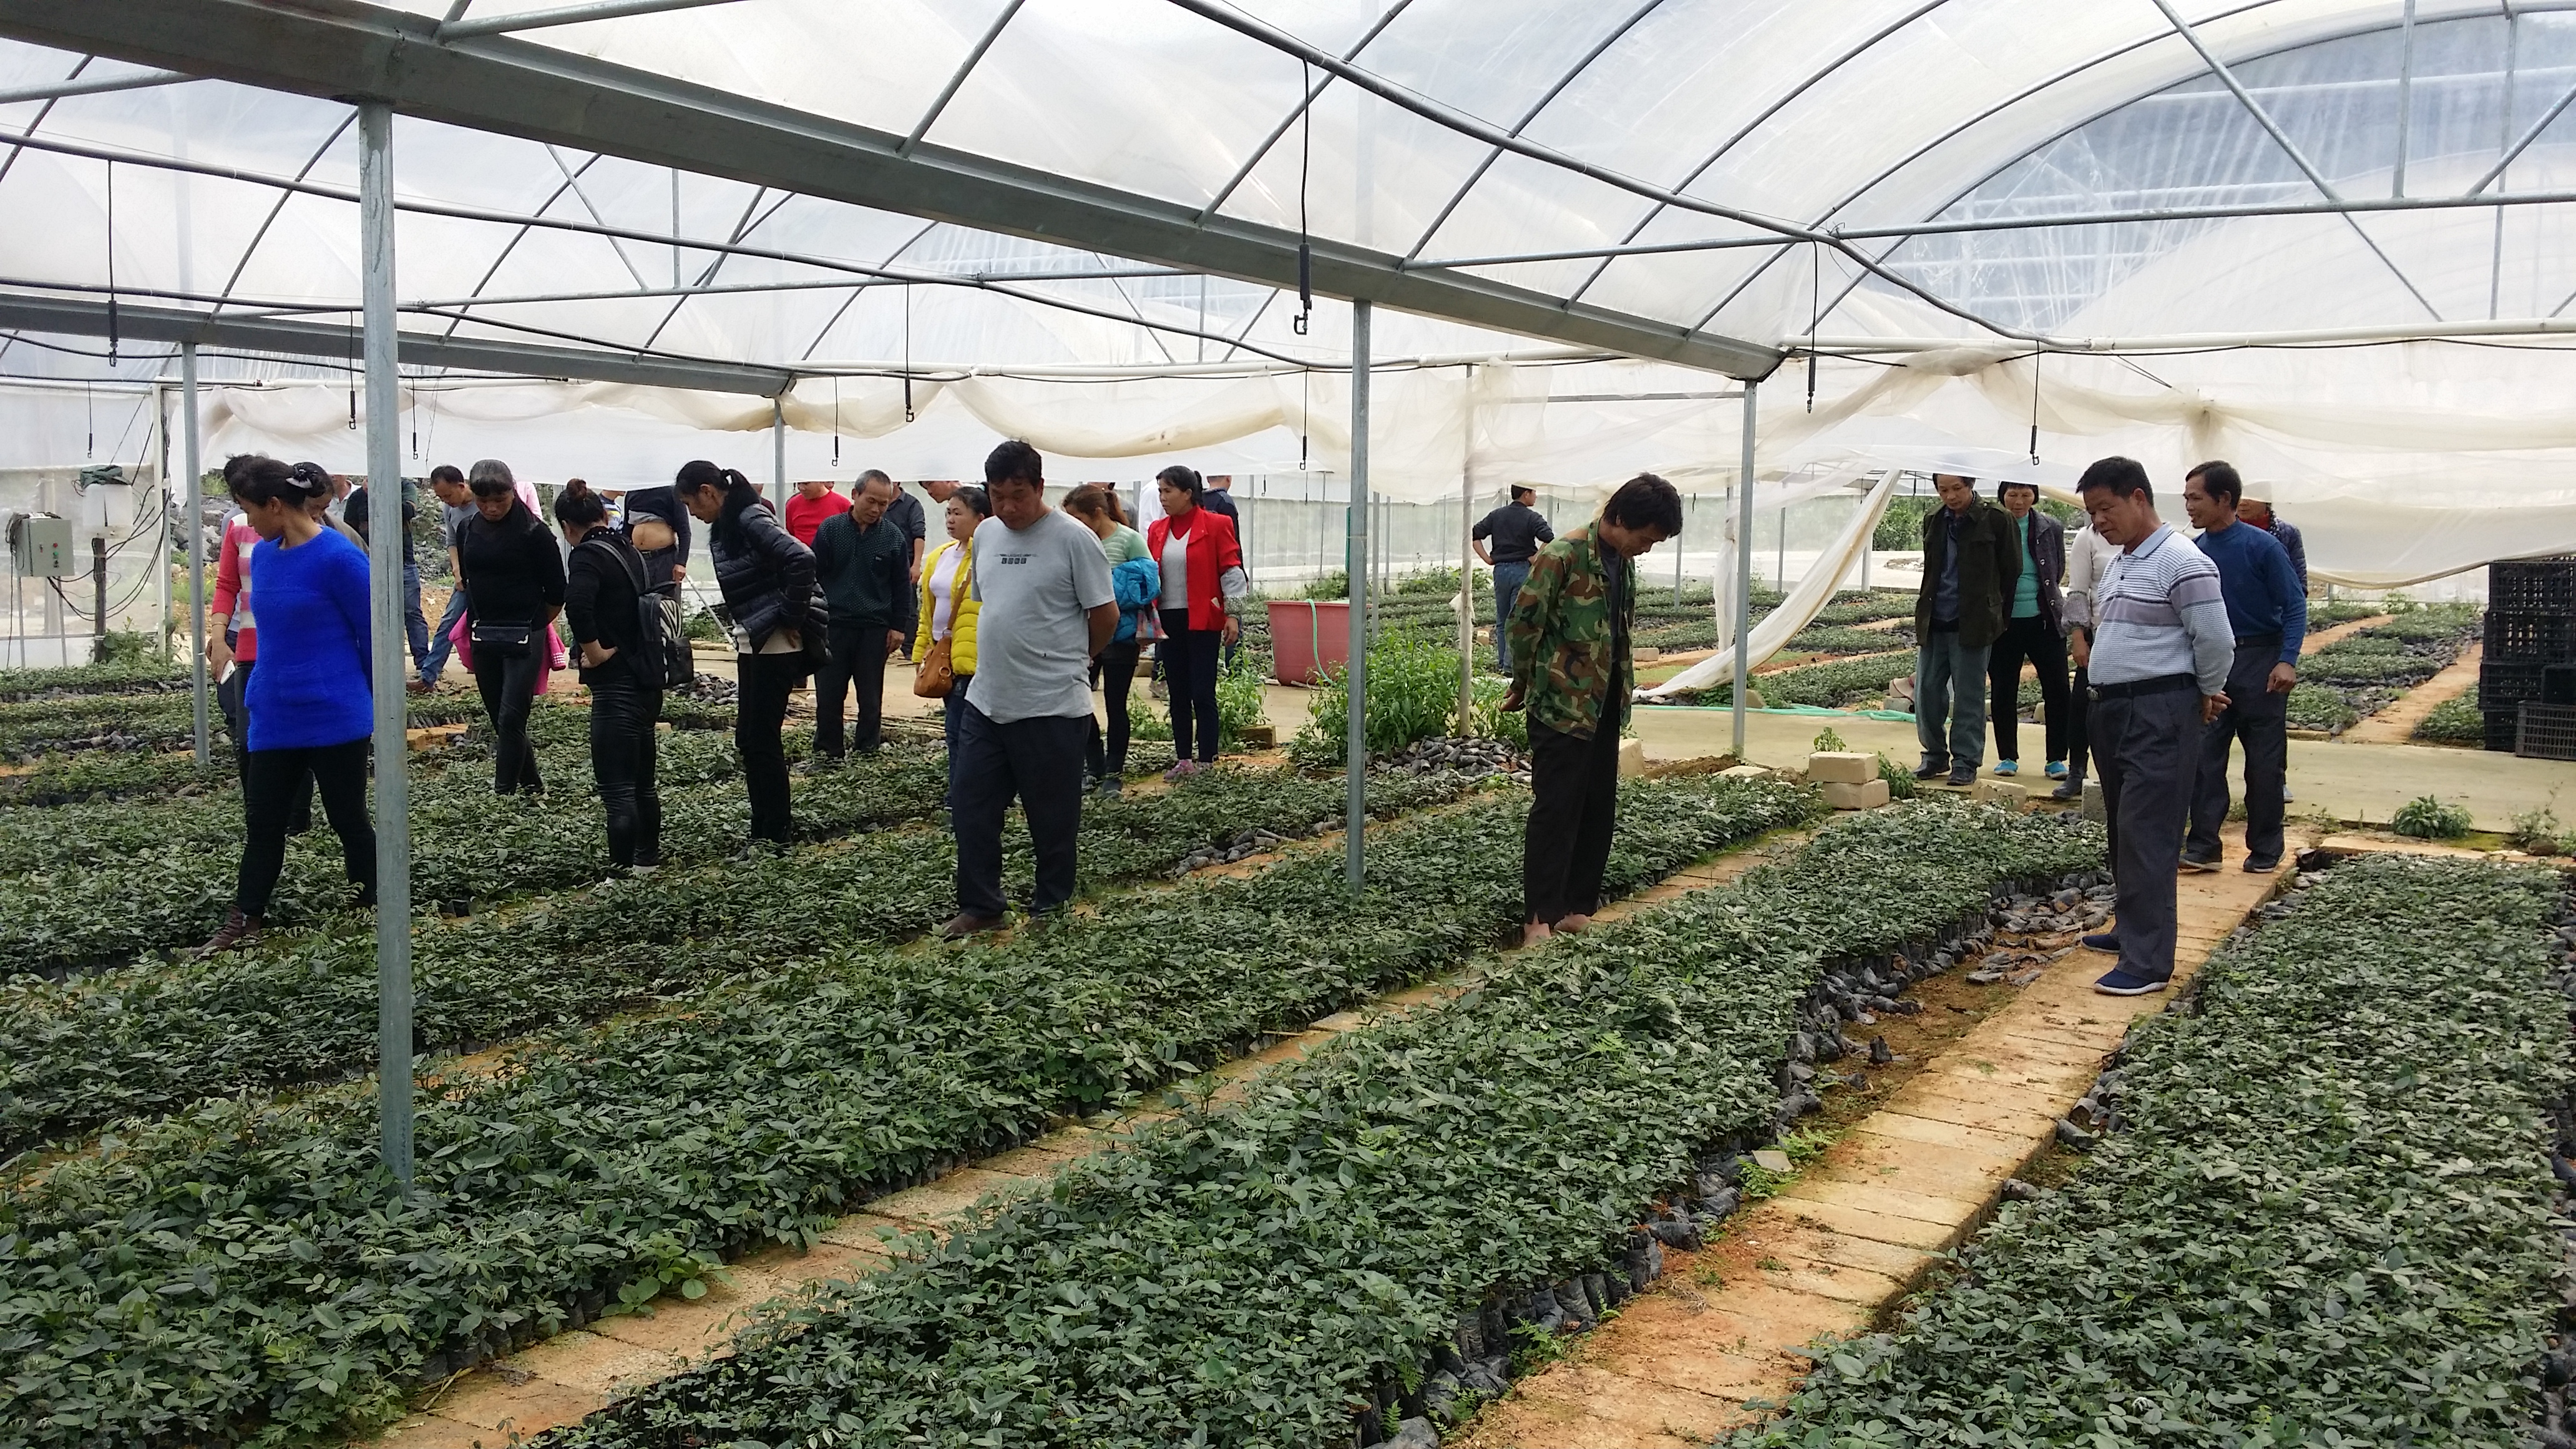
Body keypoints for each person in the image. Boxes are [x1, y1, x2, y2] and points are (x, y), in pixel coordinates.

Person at [198, 456, 378, 955]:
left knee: (348, 818)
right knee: (263, 822)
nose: (245, 520)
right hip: (275, 714)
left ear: (275, 505)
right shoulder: (267, 556)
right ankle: (245, 919)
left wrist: (369, 704)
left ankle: (370, 905)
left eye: (248, 509)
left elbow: (372, 638)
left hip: (336, 715)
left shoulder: (341, 559)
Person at [2074, 457, 2233, 997]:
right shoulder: (2123, 560)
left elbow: (2215, 639)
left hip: (2158, 709)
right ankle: (2130, 930)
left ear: (2138, 498)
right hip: (2115, 709)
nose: (2100, 521)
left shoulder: (2183, 561)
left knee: (2148, 830)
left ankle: (2148, 964)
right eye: (2093, 512)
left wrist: (2206, 691)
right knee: (2125, 826)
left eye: (2106, 508)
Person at [944, 440, 1116, 937]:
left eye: (1018, 495)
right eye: (998, 496)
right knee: (972, 808)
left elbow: (1104, 616)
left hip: (1051, 705)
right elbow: (989, 604)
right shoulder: (988, 535)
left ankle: (1050, 908)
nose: (1008, 507)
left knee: (1052, 818)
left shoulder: (1074, 539)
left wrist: (1077, 658)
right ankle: (982, 906)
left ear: (1040, 487)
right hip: (987, 700)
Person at [1504, 472, 1681, 946]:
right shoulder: (1562, 557)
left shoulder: (1622, 561)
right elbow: (1523, 625)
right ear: (1619, 518)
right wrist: (1524, 682)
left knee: (1597, 806)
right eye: (1644, 538)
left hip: (1604, 704)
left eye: (1653, 543)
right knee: (1556, 809)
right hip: (1561, 703)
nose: (1645, 549)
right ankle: (1539, 916)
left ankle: (1577, 907)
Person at [675, 459, 822, 846]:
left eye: (693, 504)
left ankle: (774, 835)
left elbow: (801, 558)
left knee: (762, 740)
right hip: (754, 639)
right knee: (749, 739)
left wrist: (791, 615)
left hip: (775, 642)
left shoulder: (750, 517)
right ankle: (764, 829)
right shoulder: (732, 521)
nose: (693, 513)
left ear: (708, 491)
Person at [2179, 461, 2305, 876]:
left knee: (2265, 762)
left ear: (2224, 499)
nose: (2189, 506)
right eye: (2187, 498)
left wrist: (2286, 659)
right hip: (2215, 663)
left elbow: (2295, 605)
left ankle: (2266, 848)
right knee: (2204, 758)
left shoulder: (2263, 546)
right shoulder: (2194, 550)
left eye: (2196, 498)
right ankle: (2203, 846)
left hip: (2260, 661)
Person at [556, 480, 664, 873]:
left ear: (568, 526)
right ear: (605, 515)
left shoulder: (586, 556)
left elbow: (578, 606)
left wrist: (594, 652)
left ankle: (619, 878)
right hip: (645, 679)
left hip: (616, 682)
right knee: (642, 783)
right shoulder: (629, 550)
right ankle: (647, 863)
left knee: (617, 789)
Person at [456, 459, 565, 796]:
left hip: (525, 633)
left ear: (513, 493)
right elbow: (470, 580)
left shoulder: (535, 533)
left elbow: (557, 591)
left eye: (499, 501)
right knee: (500, 720)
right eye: (482, 500)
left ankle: (502, 796)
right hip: (484, 633)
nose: (490, 508)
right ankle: (533, 787)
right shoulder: (468, 528)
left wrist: (534, 624)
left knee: (511, 718)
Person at [1910, 472, 2021, 786]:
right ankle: (1934, 755)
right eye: (1943, 490)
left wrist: (1997, 616)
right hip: (1935, 620)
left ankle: (1966, 761)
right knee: (1928, 692)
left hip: (1973, 623)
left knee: (1969, 696)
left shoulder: (1996, 519)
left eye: (1957, 488)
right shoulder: (1934, 519)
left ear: (1970, 485)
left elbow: (2011, 570)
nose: (1951, 496)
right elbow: (1932, 569)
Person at [1144, 465, 1246, 779]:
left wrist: (1232, 614)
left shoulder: (1216, 525)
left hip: (1202, 618)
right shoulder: (1157, 530)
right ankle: (1184, 759)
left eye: (1168, 491)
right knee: (1177, 691)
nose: (1162, 498)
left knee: (1202, 691)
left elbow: (1231, 570)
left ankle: (1207, 760)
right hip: (1169, 620)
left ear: (1188, 494)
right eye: (1160, 491)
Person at [809, 472, 912, 763]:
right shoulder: (831, 530)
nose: (876, 509)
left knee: (870, 696)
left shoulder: (893, 538)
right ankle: (829, 751)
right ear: (855, 496)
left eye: (883, 503)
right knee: (829, 693)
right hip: (835, 624)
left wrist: (898, 627)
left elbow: (901, 587)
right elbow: (814, 576)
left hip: (874, 628)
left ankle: (868, 750)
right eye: (871, 501)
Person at [1064, 484, 1156, 793]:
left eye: (1077, 517)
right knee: (1079, 703)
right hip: (1081, 635)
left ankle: (1113, 772)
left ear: (1098, 513)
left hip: (1121, 636)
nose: (1073, 524)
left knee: (1116, 705)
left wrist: (1112, 590)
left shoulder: (1129, 540)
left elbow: (1149, 584)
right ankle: (1093, 766)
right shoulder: (1075, 541)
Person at [1985, 481, 2070, 781]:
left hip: (2044, 618)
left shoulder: (2050, 526)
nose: (2019, 501)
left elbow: (2056, 569)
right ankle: (2008, 757)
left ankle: (2057, 759)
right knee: (2004, 690)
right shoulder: (1991, 525)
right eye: (2012, 495)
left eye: (2025, 495)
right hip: (2004, 622)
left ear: (2034, 496)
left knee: (2058, 689)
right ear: (2002, 496)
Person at [914, 484, 990, 762]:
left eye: (958, 513)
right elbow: (928, 609)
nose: (950, 520)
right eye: (948, 513)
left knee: (960, 731)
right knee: (956, 732)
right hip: (943, 654)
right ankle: (961, 793)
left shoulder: (986, 557)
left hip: (971, 657)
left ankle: (961, 797)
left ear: (980, 519)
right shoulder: (940, 555)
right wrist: (923, 647)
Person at [2055, 519, 2119, 801]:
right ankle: (2077, 771)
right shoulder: (2088, 538)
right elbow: (2078, 590)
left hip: (2135, 637)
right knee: (2082, 704)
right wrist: (2079, 637)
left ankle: (2118, 774)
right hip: (2098, 635)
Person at [345, 472, 431, 680]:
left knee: (411, 611)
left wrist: (380, 494)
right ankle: (379, 665)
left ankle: (424, 664)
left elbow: (409, 510)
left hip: (403, 561)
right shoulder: (358, 498)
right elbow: (349, 528)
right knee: (373, 613)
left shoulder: (404, 486)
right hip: (369, 563)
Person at [1473, 484, 1554, 670]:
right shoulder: (1532, 517)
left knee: (1502, 620)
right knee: (1517, 619)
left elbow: (1474, 534)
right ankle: (1511, 667)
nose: (1536, 497)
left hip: (1500, 571)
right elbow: (1549, 538)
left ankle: (1503, 663)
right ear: (1526, 494)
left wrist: (1488, 559)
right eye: (1534, 493)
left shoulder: (1497, 515)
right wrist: (1535, 558)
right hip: (1522, 570)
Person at [412, 465, 474, 691]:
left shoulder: (485, 504)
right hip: (465, 578)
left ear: (461, 486)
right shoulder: (450, 510)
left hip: (491, 577)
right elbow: (452, 542)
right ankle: (428, 677)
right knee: (448, 623)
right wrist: (457, 572)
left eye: (448, 495)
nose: (446, 501)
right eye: (441, 497)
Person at [621, 479, 691, 591]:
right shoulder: (632, 493)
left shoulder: (672, 491)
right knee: (638, 601)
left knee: (666, 602)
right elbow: (626, 531)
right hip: (638, 559)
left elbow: (684, 531)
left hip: (665, 558)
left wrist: (681, 563)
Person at [2236, 494, 2307, 590]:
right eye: (2239, 495)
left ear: (2266, 498)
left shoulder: (2288, 532)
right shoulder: (2224, 531)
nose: (2243, 503)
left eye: (2250, 497)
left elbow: (2299, 581)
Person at [869, 470, 929, 585]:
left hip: (904, 566)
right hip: (875, 565)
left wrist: (916, 566)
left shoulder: (912, 504)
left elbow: (919, 535)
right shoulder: (872, 504)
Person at [783, 475, 852, 549]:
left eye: (806, 483)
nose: (801, 488)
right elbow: (789, 532)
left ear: (821, 481)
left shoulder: (843, 504)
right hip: (802, 557)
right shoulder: (792, 504)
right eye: (799, 483)